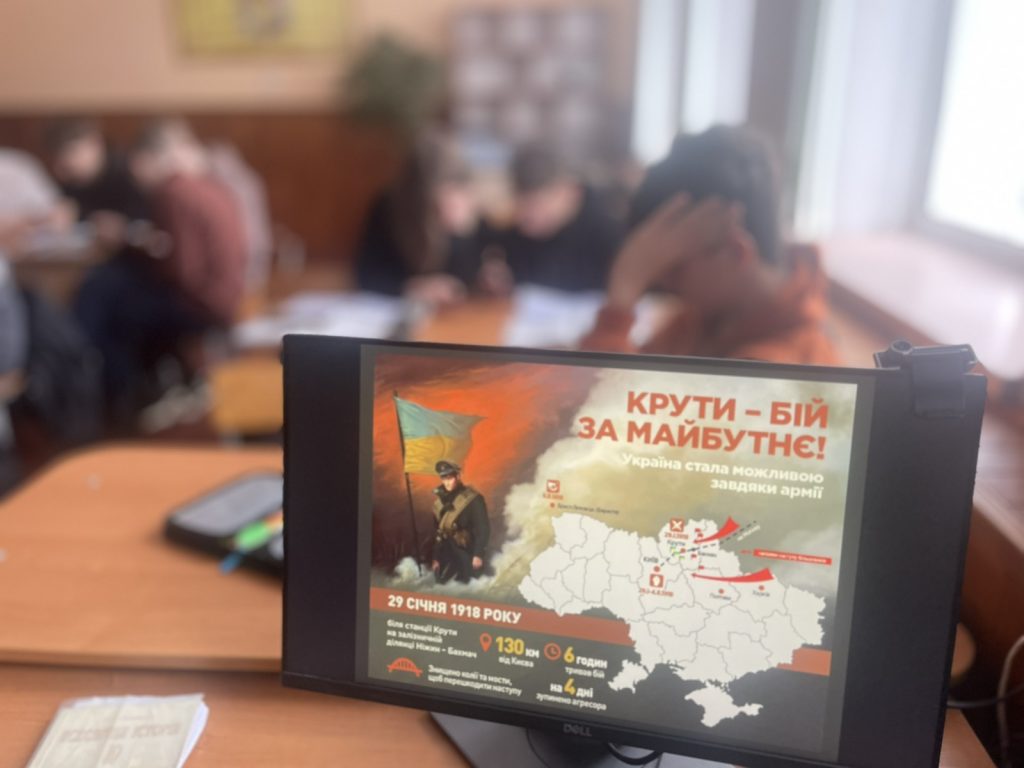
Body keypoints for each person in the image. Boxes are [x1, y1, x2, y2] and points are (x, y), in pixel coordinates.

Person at [581, 126, 838, 366]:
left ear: (736, 253)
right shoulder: (709, 318)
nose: (662, 281)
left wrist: (624, 290)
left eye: (674, 268)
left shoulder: (782, 368)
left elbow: (600, 396)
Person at [73, 118, 247, 418]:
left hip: (204, 305)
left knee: (107, 300)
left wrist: (136, 247)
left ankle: (121, 397)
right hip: (228, 296)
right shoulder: (206, 185)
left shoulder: (172, 192)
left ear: (146, 160)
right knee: (117, 289)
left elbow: (183, 273)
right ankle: (147, 387)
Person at [355, 134, 483, 304]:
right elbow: (366, 277)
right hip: (396, 308)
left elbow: (467, 278)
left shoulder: (466, 209)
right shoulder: (389, 208)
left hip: (454, 314)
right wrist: (412, 288)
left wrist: (461, 234)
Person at [479, 143, 623, 294]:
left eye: (538, 205)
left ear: (570, 192)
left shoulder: (608, 235)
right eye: (522, 206)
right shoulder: (513, 229)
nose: (528, 216)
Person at [44, 117, 151, 231]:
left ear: (94, 142)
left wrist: (124, 226)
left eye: (72, 151)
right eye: (60, 155)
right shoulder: (68, 179)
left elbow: (145, 219)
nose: (67, 161)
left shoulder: (130, 171)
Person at [430, 460, 490, 583]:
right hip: (446, 554)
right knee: (441, 585)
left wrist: (478, 554)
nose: (447, 482)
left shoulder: (473, 499)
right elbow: (438, 533)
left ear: (457, 476)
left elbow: (483, 529)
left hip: (467, 552)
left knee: (469, 586)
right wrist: (436, 558)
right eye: (443, 478)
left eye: (450, 478)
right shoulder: (439, 504)